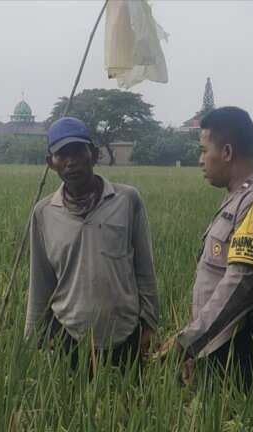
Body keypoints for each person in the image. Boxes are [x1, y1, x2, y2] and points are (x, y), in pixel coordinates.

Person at [172, 106, 253, 395]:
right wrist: (200, 347)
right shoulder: (237, 199)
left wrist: (189, 341)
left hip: (251, 345)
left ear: (227, 152)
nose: (200, 160)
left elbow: (238, 282)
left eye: (204, 151)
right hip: (225, 342)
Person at [25, 116, 159, 372]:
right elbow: (40, 280)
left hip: (126, 332)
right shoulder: (43, 213)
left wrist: (150, 324)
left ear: (94, 154)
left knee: (128, 407)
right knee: (72, 408)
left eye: (78, 151)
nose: (71, 161)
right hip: (68, 335)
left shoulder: (127, 200)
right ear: (50, 163)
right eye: (61, 154)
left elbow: (145, 269)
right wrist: (35, 337)